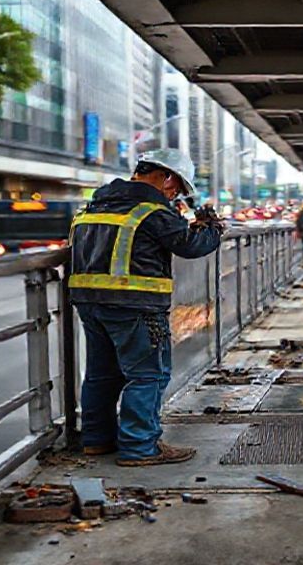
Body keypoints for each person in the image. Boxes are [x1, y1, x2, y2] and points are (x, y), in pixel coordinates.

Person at [69, 149, 223, 466]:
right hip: (135, 305)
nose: (176, 194)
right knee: (148, 375)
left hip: (89, 302)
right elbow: (191, 245)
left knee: (101, 374)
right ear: (165, 176)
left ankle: (97, 440)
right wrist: (211, 228)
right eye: (178, 186)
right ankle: (139, 446)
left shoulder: (96, 204)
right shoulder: (151, 210)